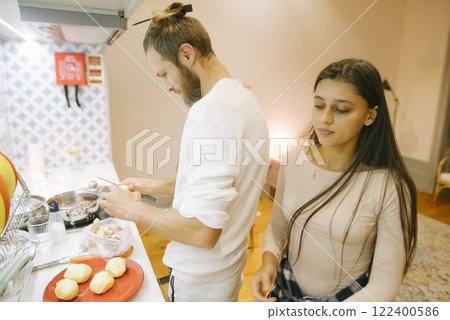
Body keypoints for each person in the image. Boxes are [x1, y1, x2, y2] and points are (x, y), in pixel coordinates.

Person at [100, 2, 269, 302]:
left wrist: (130, 209)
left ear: (187, 54)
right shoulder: (243, 99)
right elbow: (223, 186)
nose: (167, 86)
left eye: (164, 73)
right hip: (227, 270)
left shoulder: (210, 112)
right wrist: (155, 186)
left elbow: (204, 231)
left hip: (199, 280)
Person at [250, 58, 417, 302]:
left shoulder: (389, 186)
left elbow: (384, 284)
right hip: (286, 289)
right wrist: (268, 263)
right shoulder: (293, 160)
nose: (325, 119)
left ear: (370, 115)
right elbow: (278, 226)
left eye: (341, 110)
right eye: (319, 106)